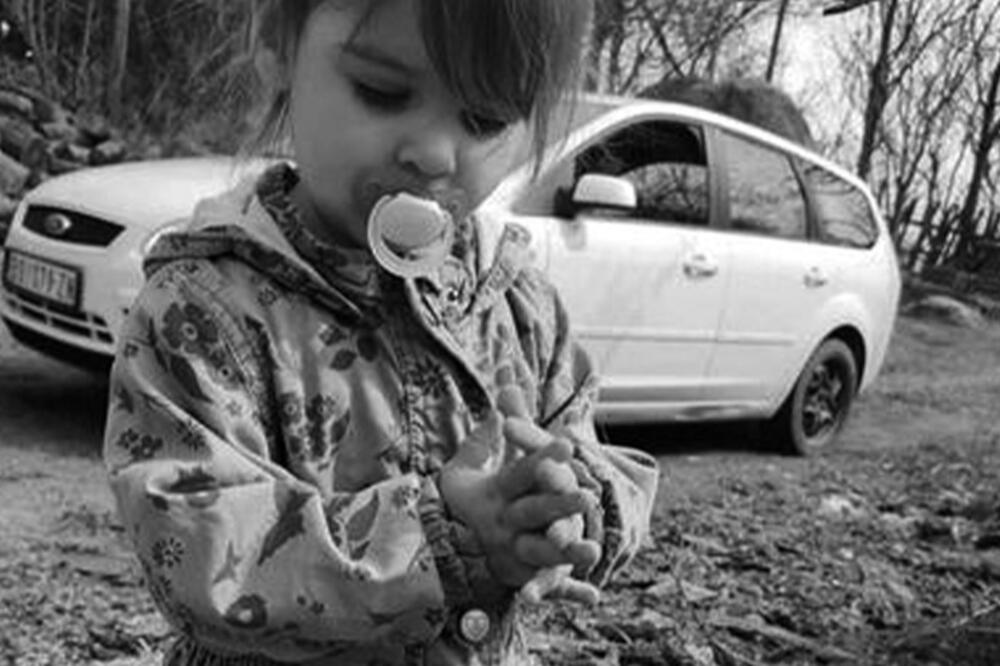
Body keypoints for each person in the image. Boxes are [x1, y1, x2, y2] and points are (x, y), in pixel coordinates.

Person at [102, 0, 660, 664]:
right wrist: (437, 535)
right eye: (382, 91)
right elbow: (196, 549)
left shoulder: (518, 304)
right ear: (279, 43)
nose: (432, 153)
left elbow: (589, 449)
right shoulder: (204, 310)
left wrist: (563, 512)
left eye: (484, 120)